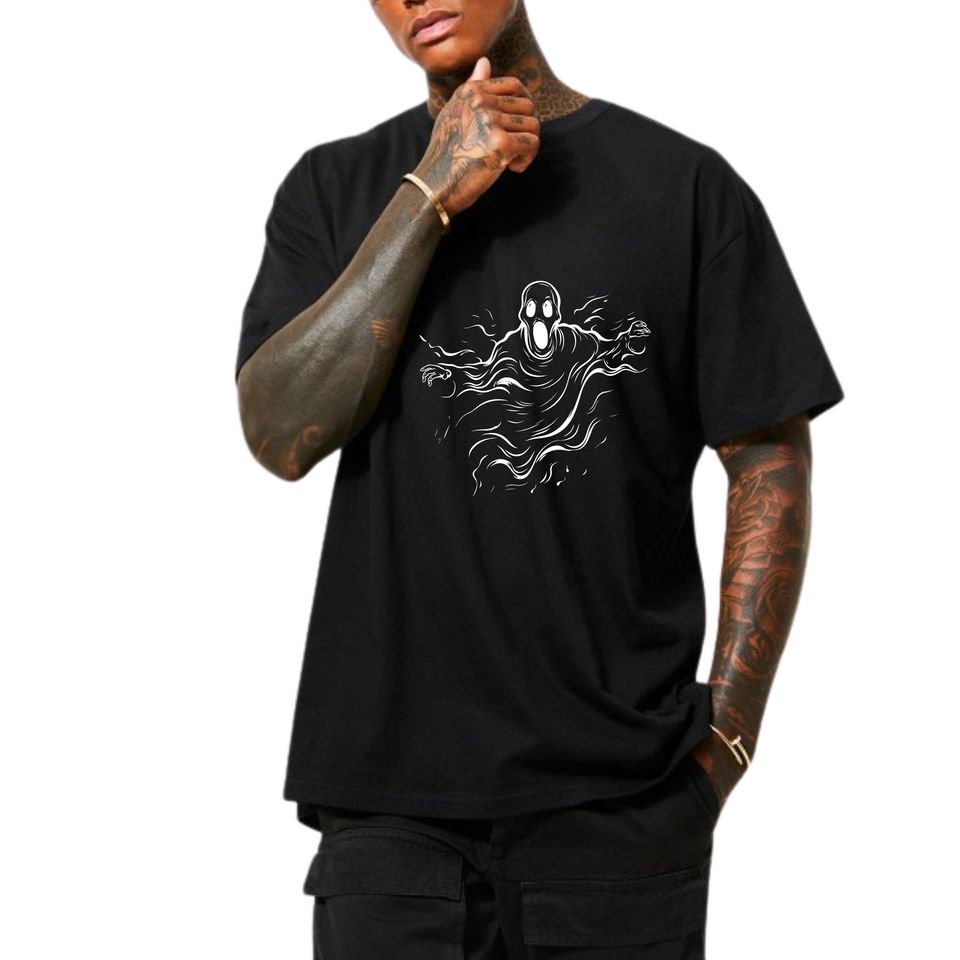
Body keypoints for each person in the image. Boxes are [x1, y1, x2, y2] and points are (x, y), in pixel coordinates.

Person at [234, 2, 844, 956]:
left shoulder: (682, 188)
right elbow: (279, 434)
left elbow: (767, 456)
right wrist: (428, 195)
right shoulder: (334, 188)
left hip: (621, 806)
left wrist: (728, 735)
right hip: (391, 817)